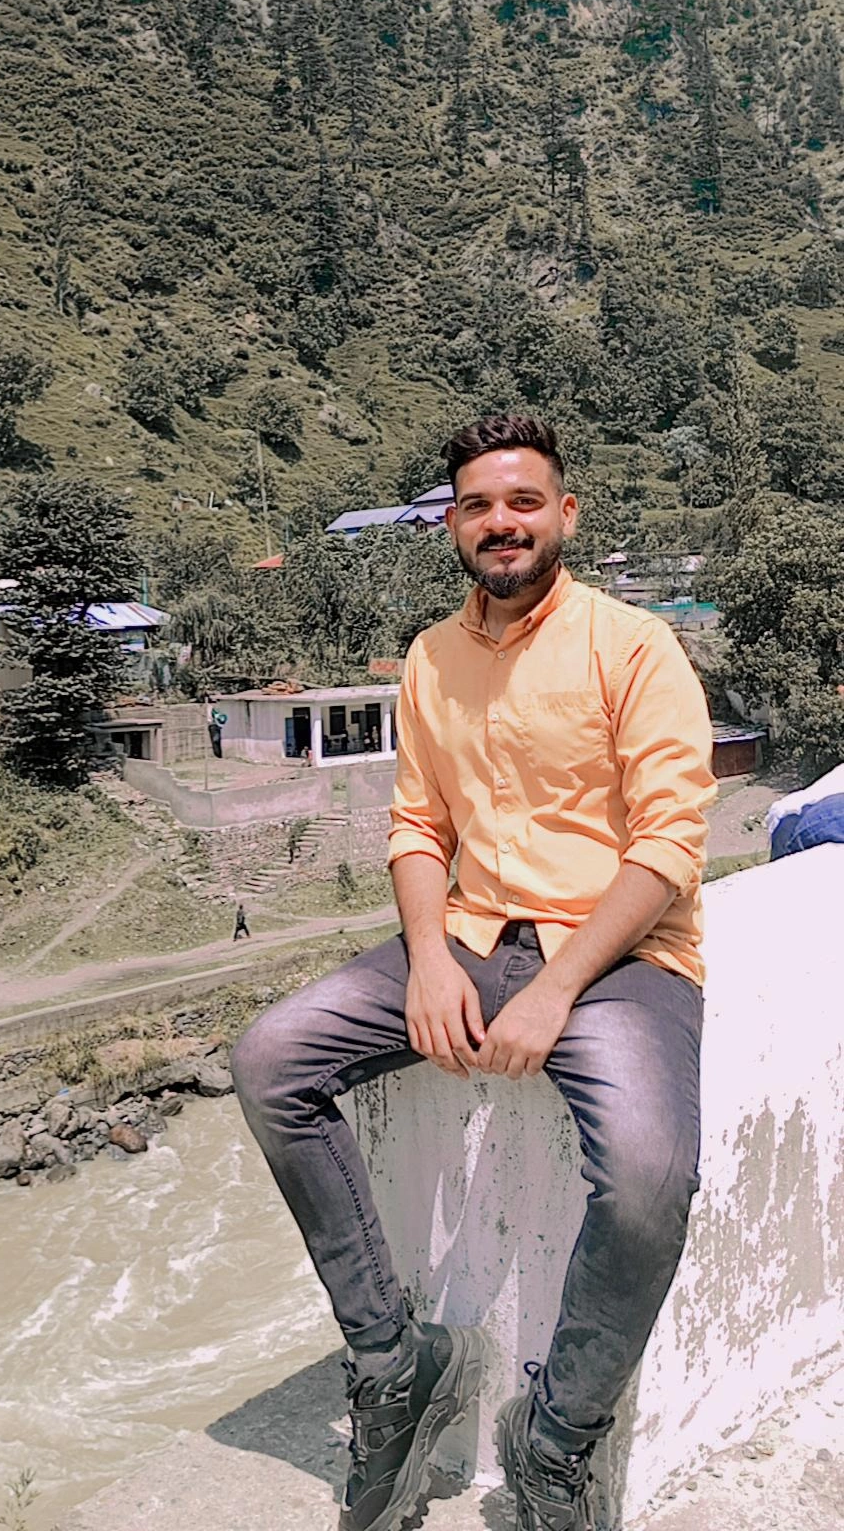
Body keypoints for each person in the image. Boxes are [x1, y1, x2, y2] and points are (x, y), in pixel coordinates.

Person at [231, 413, 716, 1531]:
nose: (502, 523)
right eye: (478, 507)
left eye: (523, 503)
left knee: (650, 1175)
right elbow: (417, 828)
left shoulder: (634, 646)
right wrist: (424, 960)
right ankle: (393, 1360)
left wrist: (555, 988)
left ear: (565, 515)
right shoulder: (430, 659)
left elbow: (667, 847)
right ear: (453, 524)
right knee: (269, 1059)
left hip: (620, 957)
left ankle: (554, 1437)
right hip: (469, 939)